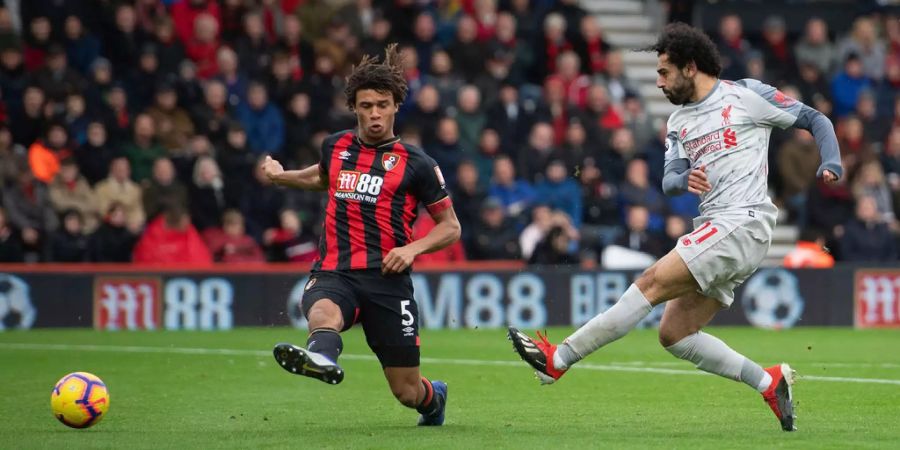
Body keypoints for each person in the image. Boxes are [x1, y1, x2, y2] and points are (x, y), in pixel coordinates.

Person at [508, 23, 843, 433]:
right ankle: (768, 381)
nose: (658, 81)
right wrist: (683, 179)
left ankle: (558, 359)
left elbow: (816, 120)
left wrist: (831, 162)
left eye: (664, 72)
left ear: (690, 67)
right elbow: (669, 180)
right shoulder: (677, 122)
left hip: (744, 221)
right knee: (675, 334)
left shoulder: (747, 96)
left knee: (650, 281)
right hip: (722, 229)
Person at [262, 44, 460, 427]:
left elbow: (451, 227)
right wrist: (279, 175)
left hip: (388, 281)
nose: (374, 114)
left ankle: (433, 399)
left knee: (406, 392)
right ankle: (322, 358)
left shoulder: (418, 164)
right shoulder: (335, 146)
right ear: (354, 106)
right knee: (322, 312)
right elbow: (322, 178)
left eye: (382, 105)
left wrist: (412, 250)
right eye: (366, 105)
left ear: (396, 106)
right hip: (336, 270)